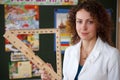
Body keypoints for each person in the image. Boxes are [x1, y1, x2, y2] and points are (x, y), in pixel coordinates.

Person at [40, 0, 120, 80]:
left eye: (90, 22)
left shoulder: (112, 55)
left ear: (99, 24)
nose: (83, 27)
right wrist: (51, 78)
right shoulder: (69, 52)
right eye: (79, 21)